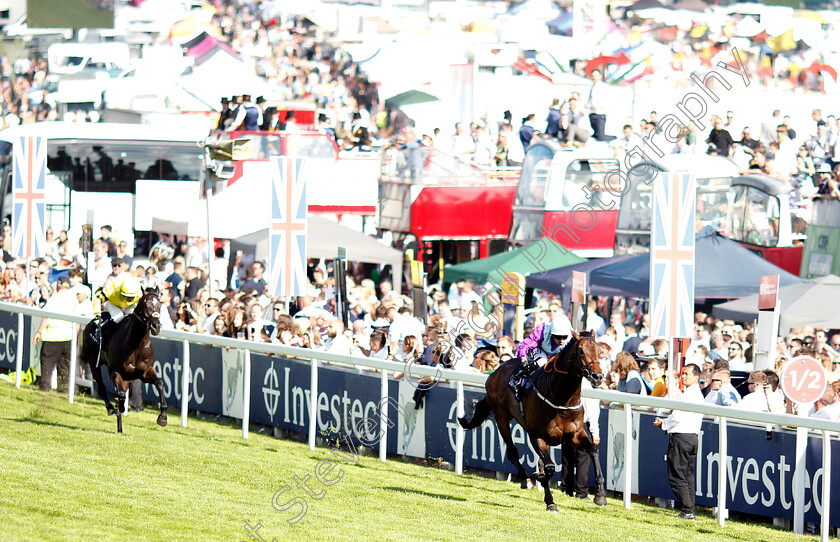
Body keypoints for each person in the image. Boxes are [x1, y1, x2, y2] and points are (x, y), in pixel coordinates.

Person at [654, 364, 704, 521]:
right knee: (687, 476)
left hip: (682, 437)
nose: (683, 376)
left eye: (687, 374)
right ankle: (688, 509)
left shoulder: (690, 394)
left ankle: (687, 510)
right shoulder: (694, 394)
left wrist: (663, 424)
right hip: (691, 438)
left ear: (696, 377)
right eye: (683, 373)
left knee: (677, 475)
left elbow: (677, 417)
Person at [561, 375, 607, 506]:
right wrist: (595, 432)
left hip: (567, 421)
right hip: (583, 424)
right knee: (582, 459)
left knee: (567, 457)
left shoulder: (571, 379)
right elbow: (592, 410)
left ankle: (566, 488)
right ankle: (581, 492)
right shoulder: (589, 384)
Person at [511, 314, 573, 399]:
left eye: (564, 337)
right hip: (542, 350)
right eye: (558, 337)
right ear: (552, 334)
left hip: (559, 354)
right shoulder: (542, 331)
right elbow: (526, 344)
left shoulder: (572, 336)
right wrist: (523, 358)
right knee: (541, 363)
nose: (561, 340)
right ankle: (520, 382)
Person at [34, 277, 76, 392]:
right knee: (64, 366)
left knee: (47, 363)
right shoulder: (73, 299)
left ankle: (44, 386)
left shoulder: (55, 298)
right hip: (68, 337)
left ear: (58, 285)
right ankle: (63, 389)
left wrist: (38, 332)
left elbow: (46, 317)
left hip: (53, 337)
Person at [91, 276, 143, 345]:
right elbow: (98, 298)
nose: (129, 299)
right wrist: (97, 314)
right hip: (113, 304)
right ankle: (102, 333)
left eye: (131, 297)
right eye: (127, 297)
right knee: (118, 317)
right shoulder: (112, 290)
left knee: (132, 318)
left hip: (129, 306)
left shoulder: (140, 293)